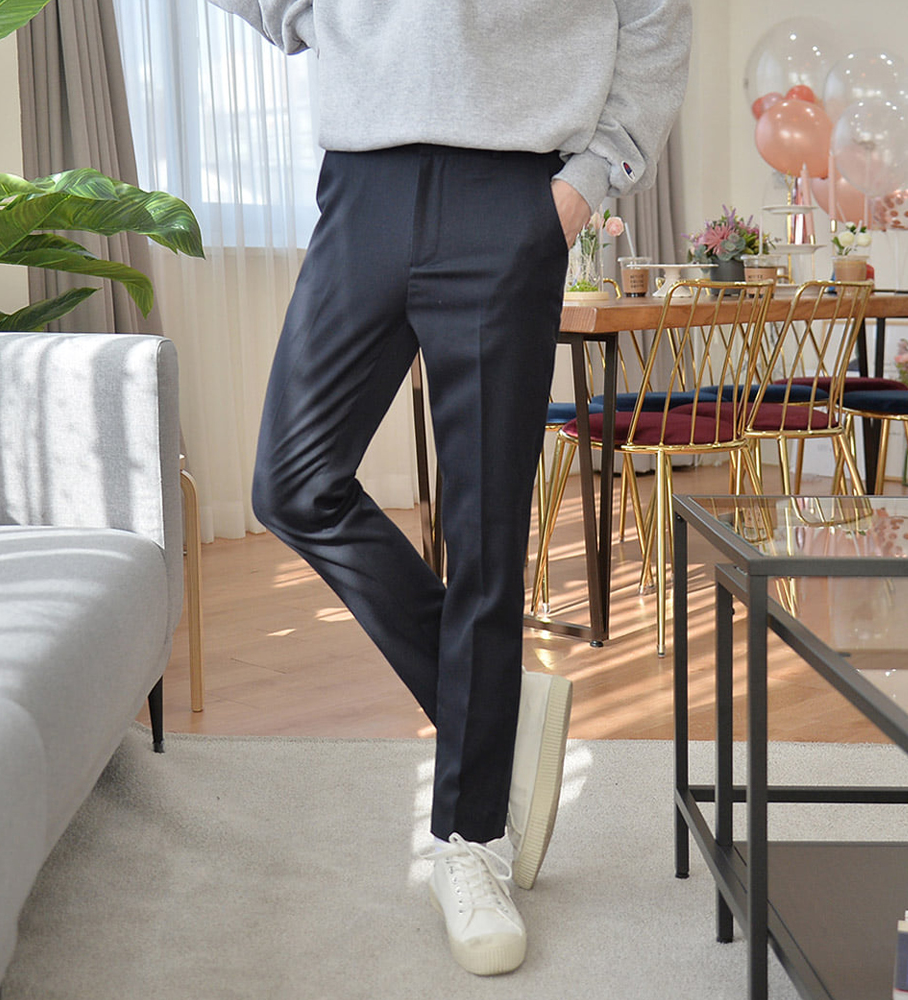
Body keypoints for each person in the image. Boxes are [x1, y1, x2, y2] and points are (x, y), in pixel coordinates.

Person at [210, 0, 691, 976]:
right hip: (364, 181)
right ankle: (498, 712)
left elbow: (652, 14)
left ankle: (470, 844)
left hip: (510, 194)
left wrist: (584, 185)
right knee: (293, 482)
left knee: (484, 536)